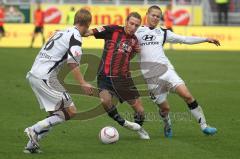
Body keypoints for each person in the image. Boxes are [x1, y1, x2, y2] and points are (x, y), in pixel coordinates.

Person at [135, 5, 220, 138]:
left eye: (158, 16)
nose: (155, 18)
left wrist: (205, 39)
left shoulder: (163, 32)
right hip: (151, 78)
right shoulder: (136, 32)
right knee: (165, 109)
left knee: (187, 95)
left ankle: (204, 126)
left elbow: (184, 39)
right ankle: (167, 124)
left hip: (167, 71)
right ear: (147, 14)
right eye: (153, 15)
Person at [24, 9, 93, 153]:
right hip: (46, 77)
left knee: (54, 115)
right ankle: (34, 129)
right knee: (70, 111)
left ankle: (31, 146)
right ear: (87, 23)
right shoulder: (75, 38)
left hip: (34, 75)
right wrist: (83, 83)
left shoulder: (61, 31)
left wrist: (85, 32)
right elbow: (73, 63)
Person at [84, 12, 150, 139]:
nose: (133, 27)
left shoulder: (134, 41)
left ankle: (139, 129)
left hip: (123, 79)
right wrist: (67, 33)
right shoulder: (112, 30)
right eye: (131, 23)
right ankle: (123, 123)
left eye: (137, 25)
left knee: (140, 111)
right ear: (126, 21)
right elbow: (87, 33)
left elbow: (128, 57)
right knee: (105, 101)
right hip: (105, 77)